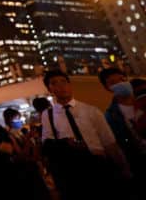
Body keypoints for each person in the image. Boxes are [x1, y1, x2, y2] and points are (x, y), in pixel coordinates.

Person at [40, 70, 131, 199]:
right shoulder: (48, 115)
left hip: (97, 163)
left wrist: (122, 166)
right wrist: (66, 143)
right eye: (54, 83)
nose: (60, 86)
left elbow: (109, 142)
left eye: (64, 82)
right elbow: (47, 142)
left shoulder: (90, 110)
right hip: (71, 168)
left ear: (70, 85)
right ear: (49, 89)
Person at [98, 67, 146, 178]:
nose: (120, 84)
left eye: (122, 79)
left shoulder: (143, 100)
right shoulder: (110, 116)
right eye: (113, 82)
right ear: (107, 88)